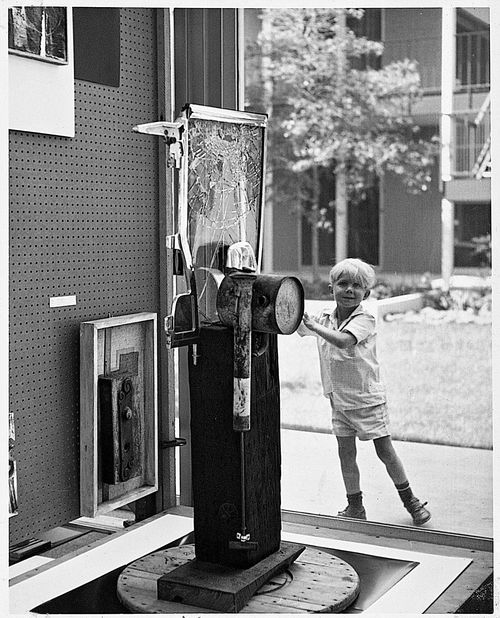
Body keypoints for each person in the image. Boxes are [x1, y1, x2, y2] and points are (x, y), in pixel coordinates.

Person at [298, 258, 431, 525]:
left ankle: (411, 501)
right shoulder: (325, 318)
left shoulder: (365, 318)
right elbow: (297, 327)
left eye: (357, 286)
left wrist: (314, 326)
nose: (349, 290)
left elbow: (344, 342)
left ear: (366, 294)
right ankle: (355, 505)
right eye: (343, 284)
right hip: (339, 400)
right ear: (331, 287)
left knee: (385, 451)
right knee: (345, 452)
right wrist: (289, 311)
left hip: (367, 399)